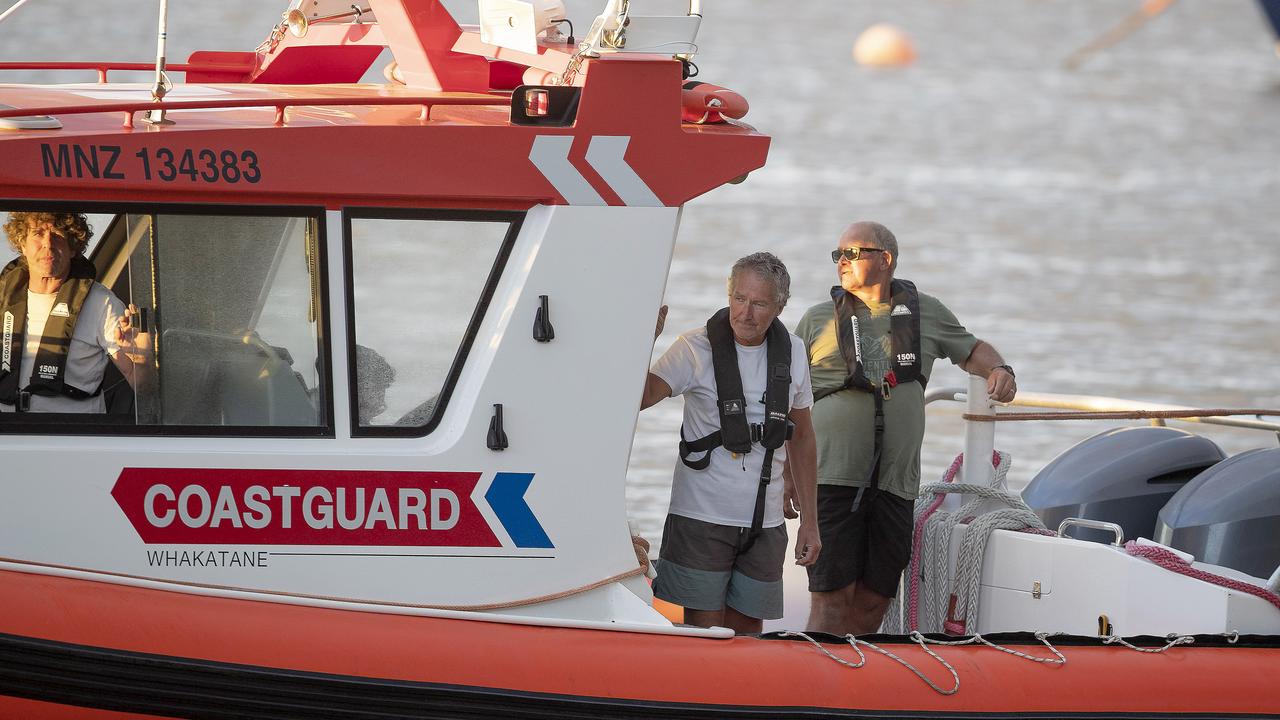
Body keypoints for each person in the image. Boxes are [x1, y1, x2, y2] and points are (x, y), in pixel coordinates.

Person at [792, 221, 1016, 636]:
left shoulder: (925, 312)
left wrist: (1000, 370)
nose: (841, 262)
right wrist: (788, 477)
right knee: (830, 600)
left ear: (885, 259)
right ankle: (813, 690)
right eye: (837, 255)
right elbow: (786, 401)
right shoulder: (816, 320)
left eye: (852, 254)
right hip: (831, 481)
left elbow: (972, 351)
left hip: (896, 485)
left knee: (874, 602)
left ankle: (853, 692)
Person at [640, 252, 822, 633]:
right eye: (739, 298)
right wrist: (644, 338)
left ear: (780, 305)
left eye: (758, 303)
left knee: (748, 639)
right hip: (701, 518)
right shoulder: (694, 347)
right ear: (729, 295)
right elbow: (639, 399)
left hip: (764, 524)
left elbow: (802, 438)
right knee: (704, 638)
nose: (746, 313)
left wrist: (810, 522)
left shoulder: (794, 352)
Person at [0, 212, 151, 414]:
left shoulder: (101, 303)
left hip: (74, 436)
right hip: (10, 435)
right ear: (23, 245)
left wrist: (143, 359)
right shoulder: (4, 296)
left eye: (57, 234)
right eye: (38, 233)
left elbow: (143, 387)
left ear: (73, 247)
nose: (48, 244)